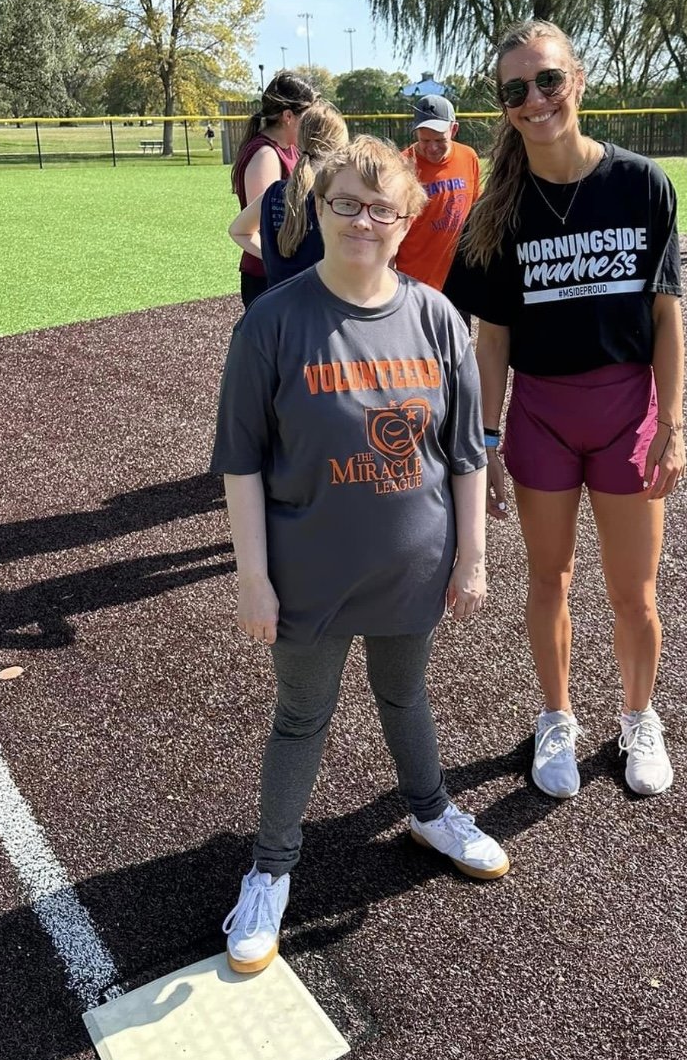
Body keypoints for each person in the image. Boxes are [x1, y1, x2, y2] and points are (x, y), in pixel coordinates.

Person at [212, 135, 510, 975]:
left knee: (405, 695)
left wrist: (474, 557)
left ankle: (429, 810)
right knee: (302, 718)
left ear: (410, 216)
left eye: (384, 208)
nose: (365, 221)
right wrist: (253, 577)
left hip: (413, 566)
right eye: (347, 203)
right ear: (320, 208)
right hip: (308, 575)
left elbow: (464, 454)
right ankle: (271, 869)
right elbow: (240, 459)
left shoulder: (437, 316)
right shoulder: (274, 320)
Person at [444, 20, 686, 803]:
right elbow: (491, 342)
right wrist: (481, 444)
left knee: (634, 592)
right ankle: (556, 717)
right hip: (541, 414)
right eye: (515, 90)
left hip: (626, 408)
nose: (534, 100)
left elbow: (665, 315)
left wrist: (674, 425)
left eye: (546, 81)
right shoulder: (498, 209)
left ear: (576, 80)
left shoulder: (641, 183)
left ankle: (639, 717)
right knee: (547, 578)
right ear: (503, 106)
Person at [227, 102, 350, 287]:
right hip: (323, 304)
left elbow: (238, 231)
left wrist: (273, 258)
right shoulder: (336, 200)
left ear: (300, 139)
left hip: (280, 304)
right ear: (340, 148)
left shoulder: (274, 192)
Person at [229, 73, 318, 307]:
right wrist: (284, 265)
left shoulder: (292, 149)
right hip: (267, 279)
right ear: (288, 116)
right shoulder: (266, 155)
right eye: (308, 115)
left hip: (287, 277)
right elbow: (260, 229)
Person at [396, 96, 482, 291]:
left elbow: (476, 212)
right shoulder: (402, 166)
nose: (432, 148)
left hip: (458, 277)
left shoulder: (469, 157)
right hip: (414, 282)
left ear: (454, 129)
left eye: (439, 140)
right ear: (416, 132)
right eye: (425, 140)